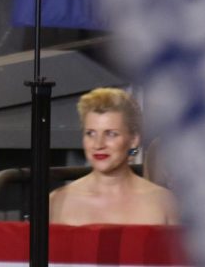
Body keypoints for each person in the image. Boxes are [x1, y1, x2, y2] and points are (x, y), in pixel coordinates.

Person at [49, 88, 178, 226]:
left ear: (133, 140)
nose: (98, 144)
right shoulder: (57, 202)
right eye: (91, 133)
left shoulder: (164, 203)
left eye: (111, 134)